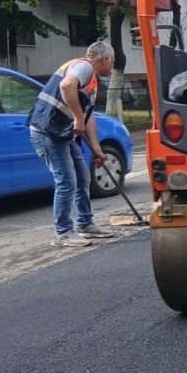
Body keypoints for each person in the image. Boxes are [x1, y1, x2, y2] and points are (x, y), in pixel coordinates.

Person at [27, 41, 116, 247]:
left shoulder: (91, 81)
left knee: (82, 177)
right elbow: (66, 86)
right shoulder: (83, 67)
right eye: (112, 62)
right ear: (105, 59)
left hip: (61, 132)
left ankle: (85, 224)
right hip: (47, 131)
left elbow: (88, 118)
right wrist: (77, 118)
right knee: (67, 181)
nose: (112, 67)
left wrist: (96, 148)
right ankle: (63, 233)